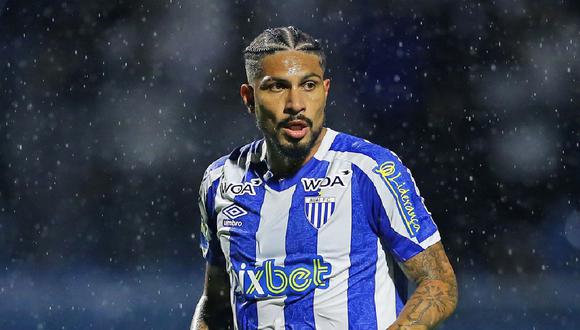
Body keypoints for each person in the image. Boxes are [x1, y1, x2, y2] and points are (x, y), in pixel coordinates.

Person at [191, 26, 457, 330]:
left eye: (309, 85)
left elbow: (439, 282)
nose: (295, 104)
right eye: (277, 87)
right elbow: (216, 304)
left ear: (325, 90)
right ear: (249, 97)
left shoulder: (370, 169)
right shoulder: (220, 180)